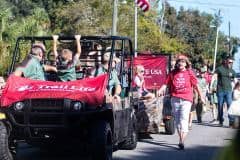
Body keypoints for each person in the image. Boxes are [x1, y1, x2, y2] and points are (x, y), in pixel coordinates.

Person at [158, 54, 205, 150]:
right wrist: (160, 89)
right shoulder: (172, 73)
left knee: (184, 119)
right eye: (179, 61)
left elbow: (196, 86)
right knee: (177, 120)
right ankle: (180, 139)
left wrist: (201, 97)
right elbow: (165, 84)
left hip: (187, 98)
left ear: (186, 63)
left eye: (183, 62)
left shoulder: (189, 73)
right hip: (175, 98)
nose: (180, 63)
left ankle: (181, 141)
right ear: (177, 63)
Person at [213, 55, 236, 127]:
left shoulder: (232, 71)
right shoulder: (220, 69)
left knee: (230, 105)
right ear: (226, 61)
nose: (230, 64)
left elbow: (235, 80)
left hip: (229, 90)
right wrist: (212, 86)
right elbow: (214, 77)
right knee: (220, 105)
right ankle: (220, 120)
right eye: (229, 62)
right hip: (220, 90)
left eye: (232, 63)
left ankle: (231, 121)